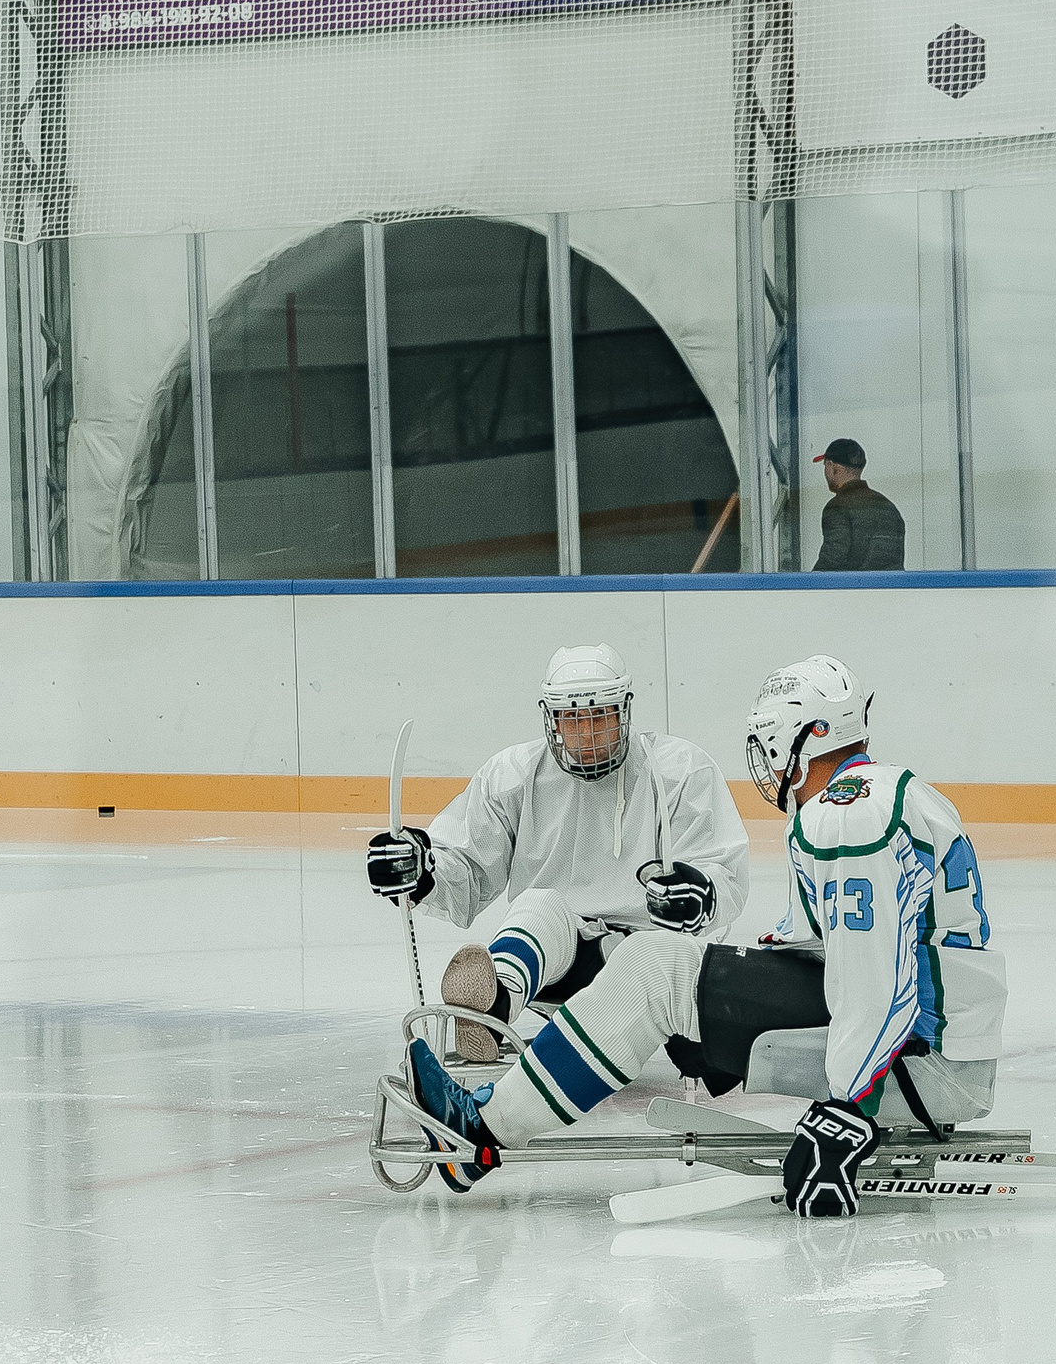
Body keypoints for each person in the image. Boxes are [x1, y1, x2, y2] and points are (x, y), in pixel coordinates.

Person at [399, 655, 1006, 1215]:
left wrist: (846, 1115)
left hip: (925, 1061)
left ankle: (478, 1133)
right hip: (932, 1044)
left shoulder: (847, 814)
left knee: (657, 967)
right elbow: (863, 957)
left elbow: (876, 980)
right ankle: (494, 1085)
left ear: (808, 734)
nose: (764, 758)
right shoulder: (870, 799)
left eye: (769, 739)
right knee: (671, 965)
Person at [366, 643, 750, 1064]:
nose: (586, 736)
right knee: (537, 904)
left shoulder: (681, 770)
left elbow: (722, 870)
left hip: (654, 969)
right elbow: (468, 870)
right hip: (555, 968)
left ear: (624, 710)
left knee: (646, 953)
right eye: (572, 719)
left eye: (599, 717)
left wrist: (700, 894)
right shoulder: (512, 776)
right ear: (551, 719)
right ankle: (495, 1008)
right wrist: (424, 872)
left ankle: (684, 1024)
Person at [812, 439, 905, 572]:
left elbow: (833, 558)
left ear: (832, 466)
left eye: (825, 465)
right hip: (889, 590)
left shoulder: (837, 506)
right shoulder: (888, 506)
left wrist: (809, 585)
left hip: (853, 590)